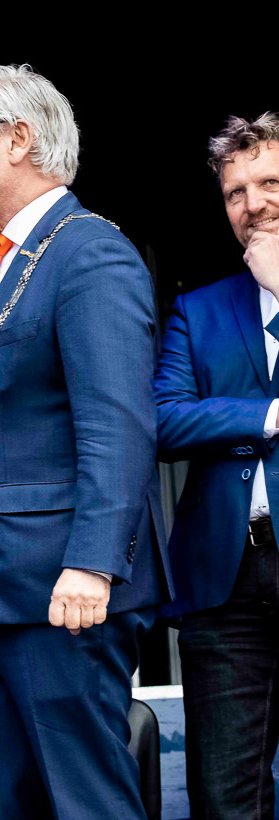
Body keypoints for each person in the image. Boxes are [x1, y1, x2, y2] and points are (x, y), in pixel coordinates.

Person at [0, 64, 174, 820]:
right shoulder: (2, 261)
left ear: (18, 139)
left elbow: (117, 423)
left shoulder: (87, 253)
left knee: (86, 803)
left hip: (60, 592)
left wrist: (92, 562)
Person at [155, 112, 279, 818]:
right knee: (225, 798)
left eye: (268, 183)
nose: (251, 204)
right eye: (235, 192)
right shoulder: (197, 309)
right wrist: (267, 416)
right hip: (226, 582)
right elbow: (163, 419)